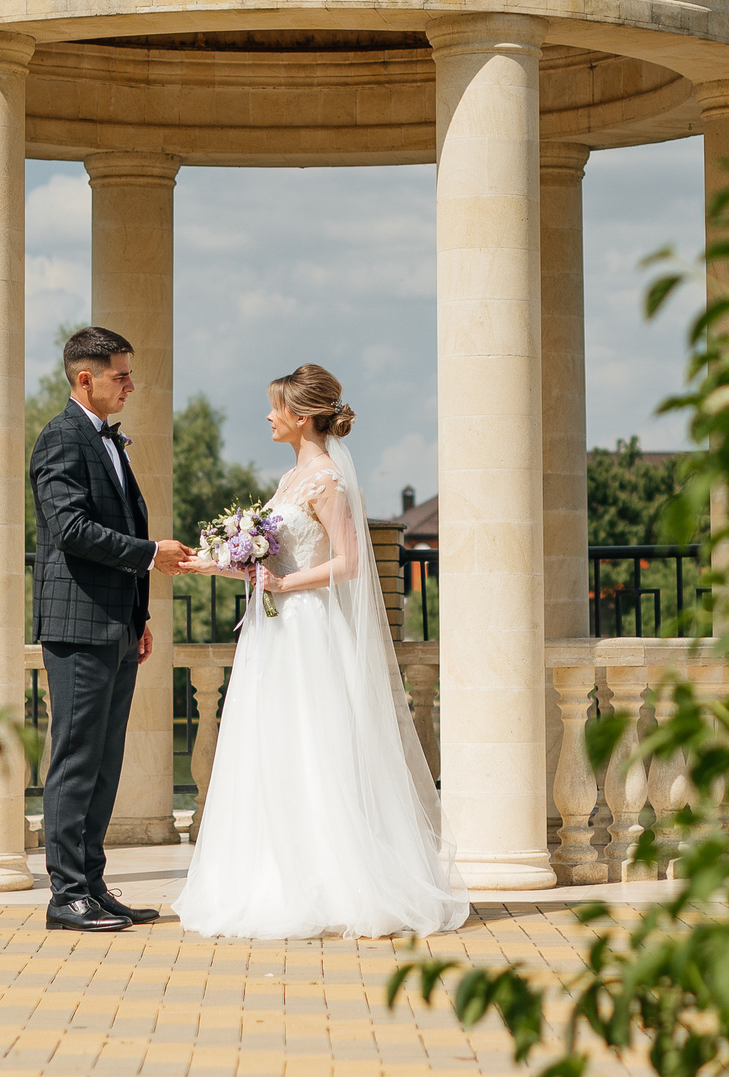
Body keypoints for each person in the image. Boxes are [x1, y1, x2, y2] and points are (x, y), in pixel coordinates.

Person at [173, 364, 469, 940]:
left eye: (275, 408)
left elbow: (349, 562)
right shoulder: (291, 479)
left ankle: (335, 883)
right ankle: (272, 875)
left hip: (307, 630)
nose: (267, 416)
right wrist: (213, 561)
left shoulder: (328, 480)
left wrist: (285, 585)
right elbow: (270, 553)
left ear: (301, 417)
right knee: (272, 747)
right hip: (273, 633)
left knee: (316, 745)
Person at [29, 325, 193, 933]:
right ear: (84, 379)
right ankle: (66, 894)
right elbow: (69, 530)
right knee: (75, 759)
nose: (130, 384)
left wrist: (139, 616)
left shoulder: (109, 441)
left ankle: (92, 886)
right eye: (120, 375)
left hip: (116, 626)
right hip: (77, 629)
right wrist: (152, 554)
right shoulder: (60, 439)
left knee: (104, 761)